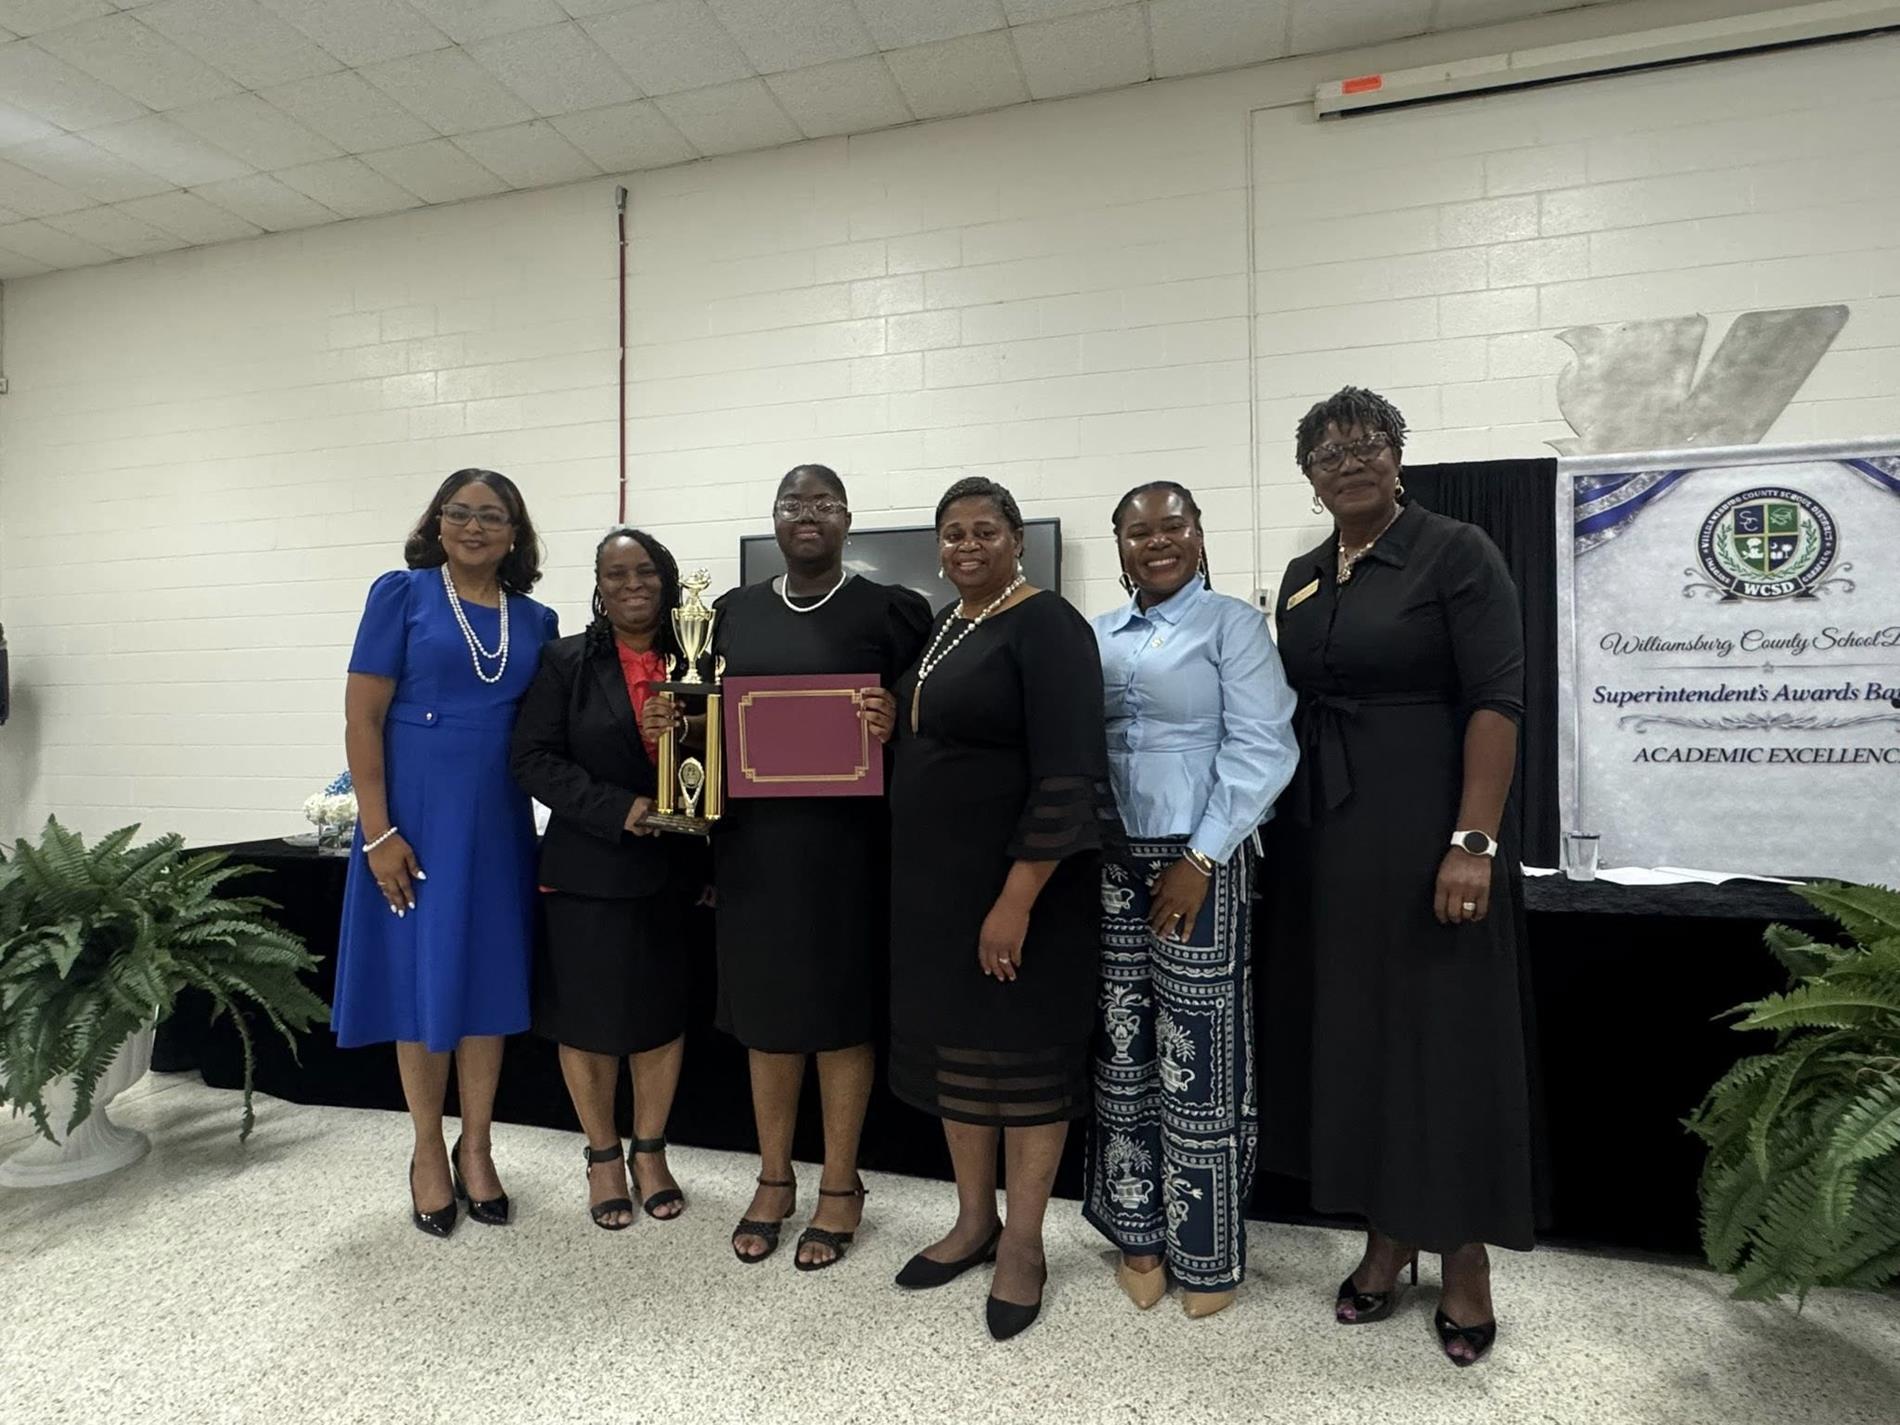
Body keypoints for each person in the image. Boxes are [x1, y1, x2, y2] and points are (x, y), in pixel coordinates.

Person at [1261, 386, 1537, 1367]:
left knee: (1441, 1044)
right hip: (1330, 843)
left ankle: (1462, 1256)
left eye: (1366, 443)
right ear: (1309, 476)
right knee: (1360, 1040)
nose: (1349, 462)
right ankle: (1385, 1236)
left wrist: (1474, 840)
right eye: (1328, 452)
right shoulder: (1302, 576)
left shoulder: (1456, 552)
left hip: (1430, 834)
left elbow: (1497, 698)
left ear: (1397, 454)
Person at [646, 464, 929, 1270]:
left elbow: (929, 714)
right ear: (773, 519)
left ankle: (841, 1183)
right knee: (766, 1020)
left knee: (842, 1019)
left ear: (848, 519)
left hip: (852, 852)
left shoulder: (892, 610)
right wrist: (672, 722)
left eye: (824, 503)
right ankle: (774, 1177)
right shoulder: (729, 614)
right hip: (754, 852)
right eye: (792, 503)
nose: (808, 514)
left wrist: (896, 717)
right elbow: (702, 716)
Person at [887, 476, 1117, 1342]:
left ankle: (1023, 1243)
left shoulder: (1047, 624)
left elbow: (1070, 771)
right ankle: (973, 1219)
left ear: (1017, 538)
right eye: (953, 533)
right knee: (961, 1058)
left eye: (985, 530)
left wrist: (1015, 901)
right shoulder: (948, 623)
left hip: (1023, 890)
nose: (967, 545)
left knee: (1022, 1065)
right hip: (938, 892)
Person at [1083, 482, 1299, 1320]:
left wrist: (1201, 856)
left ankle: (1207, 1250)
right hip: (1112, 857)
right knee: (1124, 1049)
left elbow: (1263, 745)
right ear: (1120, 545)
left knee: (1199, 1059)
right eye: (1138, 531)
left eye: (1172, 525)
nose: (1157, 541)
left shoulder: (1231, 626)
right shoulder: (1098, 633)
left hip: (1202, 856)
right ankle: (1137, 1232)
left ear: (1199, 534)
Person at [334, 469, 560, 1238]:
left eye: (491, 515)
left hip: (496, 822)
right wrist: (378, 831)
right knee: (422, 984)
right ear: (436, 522)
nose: (473, 526)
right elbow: (362, 721)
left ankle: (479, 1144)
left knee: (486, 982)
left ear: (514, 533)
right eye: (458, 512)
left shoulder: (536, 619)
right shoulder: (400, 595)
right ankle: (428, 1146)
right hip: (415, 821)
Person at [511, 527, 693, 1231]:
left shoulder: (703, 655)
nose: (632, 584)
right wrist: (619, 809)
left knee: (660, 1019)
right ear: (598, 585)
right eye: (616, 574)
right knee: (587, 1023)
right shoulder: (565, 662)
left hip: (676, 870)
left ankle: (650, 1151)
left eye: (645, 570)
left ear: (665, 576)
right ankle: (601, 1156)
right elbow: (532, 759)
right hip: (589, 867)